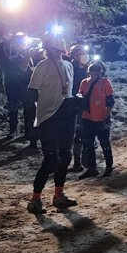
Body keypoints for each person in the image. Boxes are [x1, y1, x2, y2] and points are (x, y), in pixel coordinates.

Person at [26, 32, 79, 213]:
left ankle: (59, 195)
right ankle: (34, 200)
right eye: (61, 44)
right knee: (51, 160)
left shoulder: (69, 66)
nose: (65, 47)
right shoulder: (42, 66)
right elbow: (32, 92)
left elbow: (69, 90)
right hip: (49, 116)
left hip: (66, 115)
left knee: (65, 156)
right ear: (53, 47)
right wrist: (42, 109)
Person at [77, 61, 116, 178]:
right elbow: (80, 97)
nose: (94, 76)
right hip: (87, 117)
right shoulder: (84, 83)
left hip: (101, 118)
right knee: (88, 144)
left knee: (105, 144)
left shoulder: (105, 83)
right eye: (92, 74)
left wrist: (108, 117)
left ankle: (109, 167)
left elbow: (110, 100)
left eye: (96, 74)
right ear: (89, 73)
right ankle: (92, 168)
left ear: (100, 73)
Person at [4, 34, 34, 140]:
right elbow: (23, 68)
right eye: (22, 41)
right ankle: (14, 130)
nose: (24, 43)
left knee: (28, 109)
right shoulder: (12, 55)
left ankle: (29, 132)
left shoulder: (26, 54)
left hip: (25, 85)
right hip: (13, 85)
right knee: (13, 108)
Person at [67, 44, 91, 172]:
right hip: (75, 105)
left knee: (85, 131)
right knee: (76, 133)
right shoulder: (70, 69)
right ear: (75, 56)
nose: (85, 56)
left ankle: (84, 158)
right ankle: (76, 159)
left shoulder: (88, 70)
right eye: (82, 54)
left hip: (87, 105)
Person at [0, 22, 13, 95]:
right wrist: (0, 84)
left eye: (8, 29)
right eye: (3, 30)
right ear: (0, 33)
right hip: (10, 81)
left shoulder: (20, 43)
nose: (7, 31)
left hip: (25, 80)